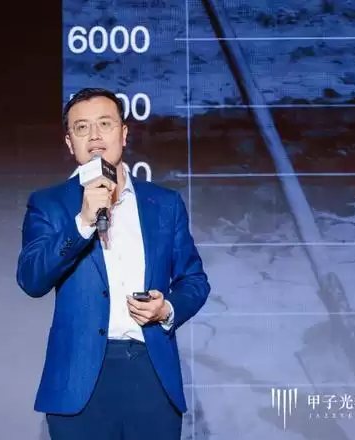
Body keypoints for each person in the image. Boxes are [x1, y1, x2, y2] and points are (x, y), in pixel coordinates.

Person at [16, 87, 210, 440]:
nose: (94, 136)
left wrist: (166, 309)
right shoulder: (48, 204)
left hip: (151, 374)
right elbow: (32, 278)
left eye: (104, 124)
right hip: (79, 381)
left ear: (123, 133)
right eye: (81, 128)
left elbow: (194, 281)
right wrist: (82, 223)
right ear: (69, 142)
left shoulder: (164, 204)